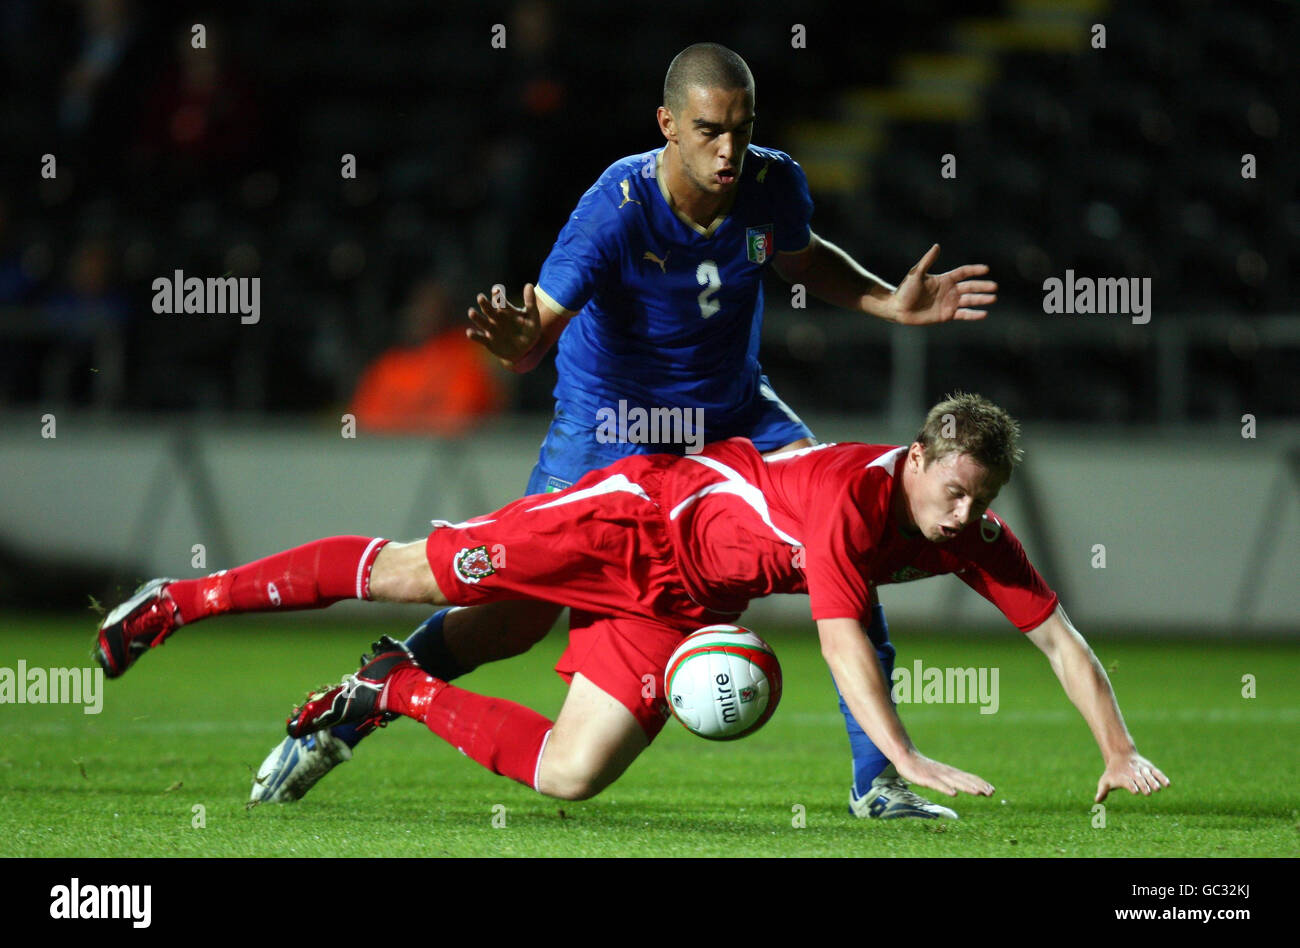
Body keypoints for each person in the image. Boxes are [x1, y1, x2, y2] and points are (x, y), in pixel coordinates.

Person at [245, 42, 999, 816]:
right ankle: (354, 709)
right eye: (710, 128)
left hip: (733, 417)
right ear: (668, 123)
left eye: (743, 127)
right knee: (510, 617)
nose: (730, 148)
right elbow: (537, 329)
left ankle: (876, 782)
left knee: (847, 538)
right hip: (612, 427)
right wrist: (518, 342)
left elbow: (803, 262)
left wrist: (887, 302)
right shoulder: (616, 205)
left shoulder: (773, 182)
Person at [93, 394, 1169, 806]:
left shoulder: (973, 535)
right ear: (917, 457)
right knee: (408, 571)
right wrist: (901, 754)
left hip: (680, 603)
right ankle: (176, 603)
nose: (958, 515)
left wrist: (1115, 749)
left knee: (569, 777)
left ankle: (390, 692)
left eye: (978, 501)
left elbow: (1064, 643)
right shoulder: (853, 497)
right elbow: (844, 641)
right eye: (949, 489)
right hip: (625, 522)